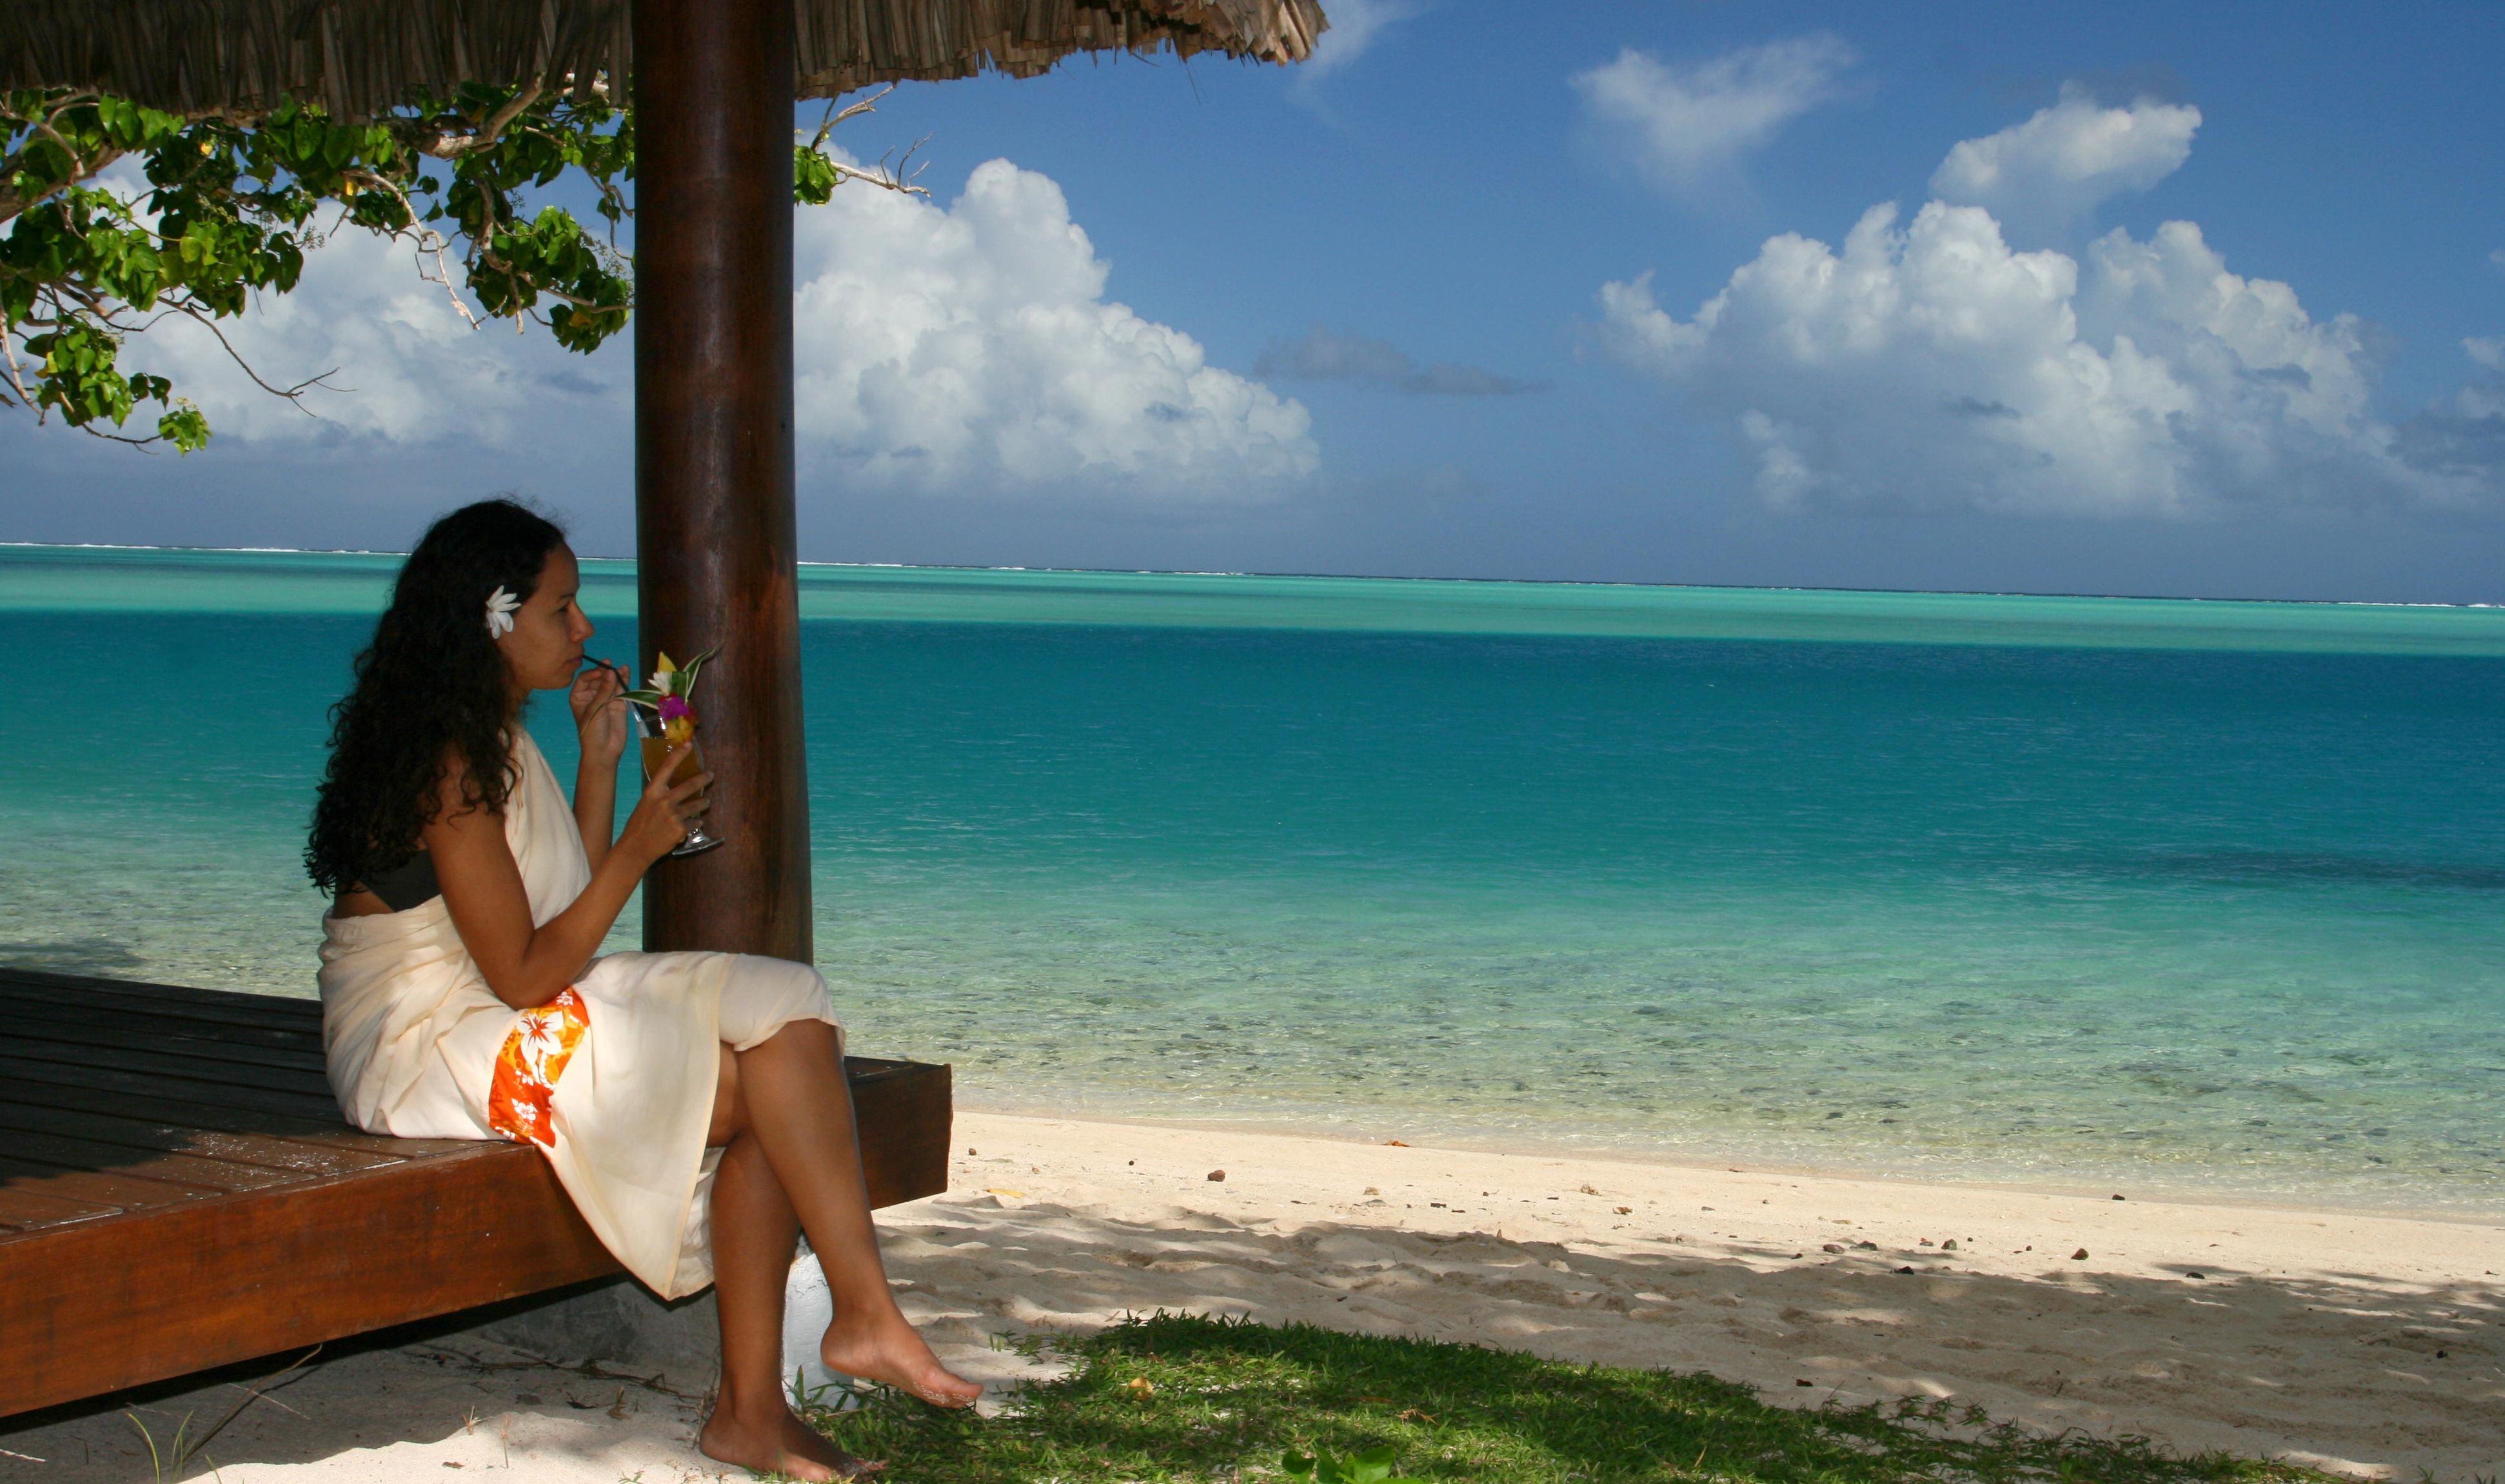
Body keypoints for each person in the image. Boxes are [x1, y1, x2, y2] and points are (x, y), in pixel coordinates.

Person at [306, 499, 977, 1481]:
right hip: (422, 1045)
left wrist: (600, 762)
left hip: (502, 1002)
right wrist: (640, 845)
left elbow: (550, 914)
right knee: (774, 1101)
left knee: (790, 1011)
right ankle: (784, 1384)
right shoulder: (447, 765)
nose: (585, 630)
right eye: (562, 608)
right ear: (490, 620)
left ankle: (842, 1329)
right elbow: (527, 967)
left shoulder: (492, 737)